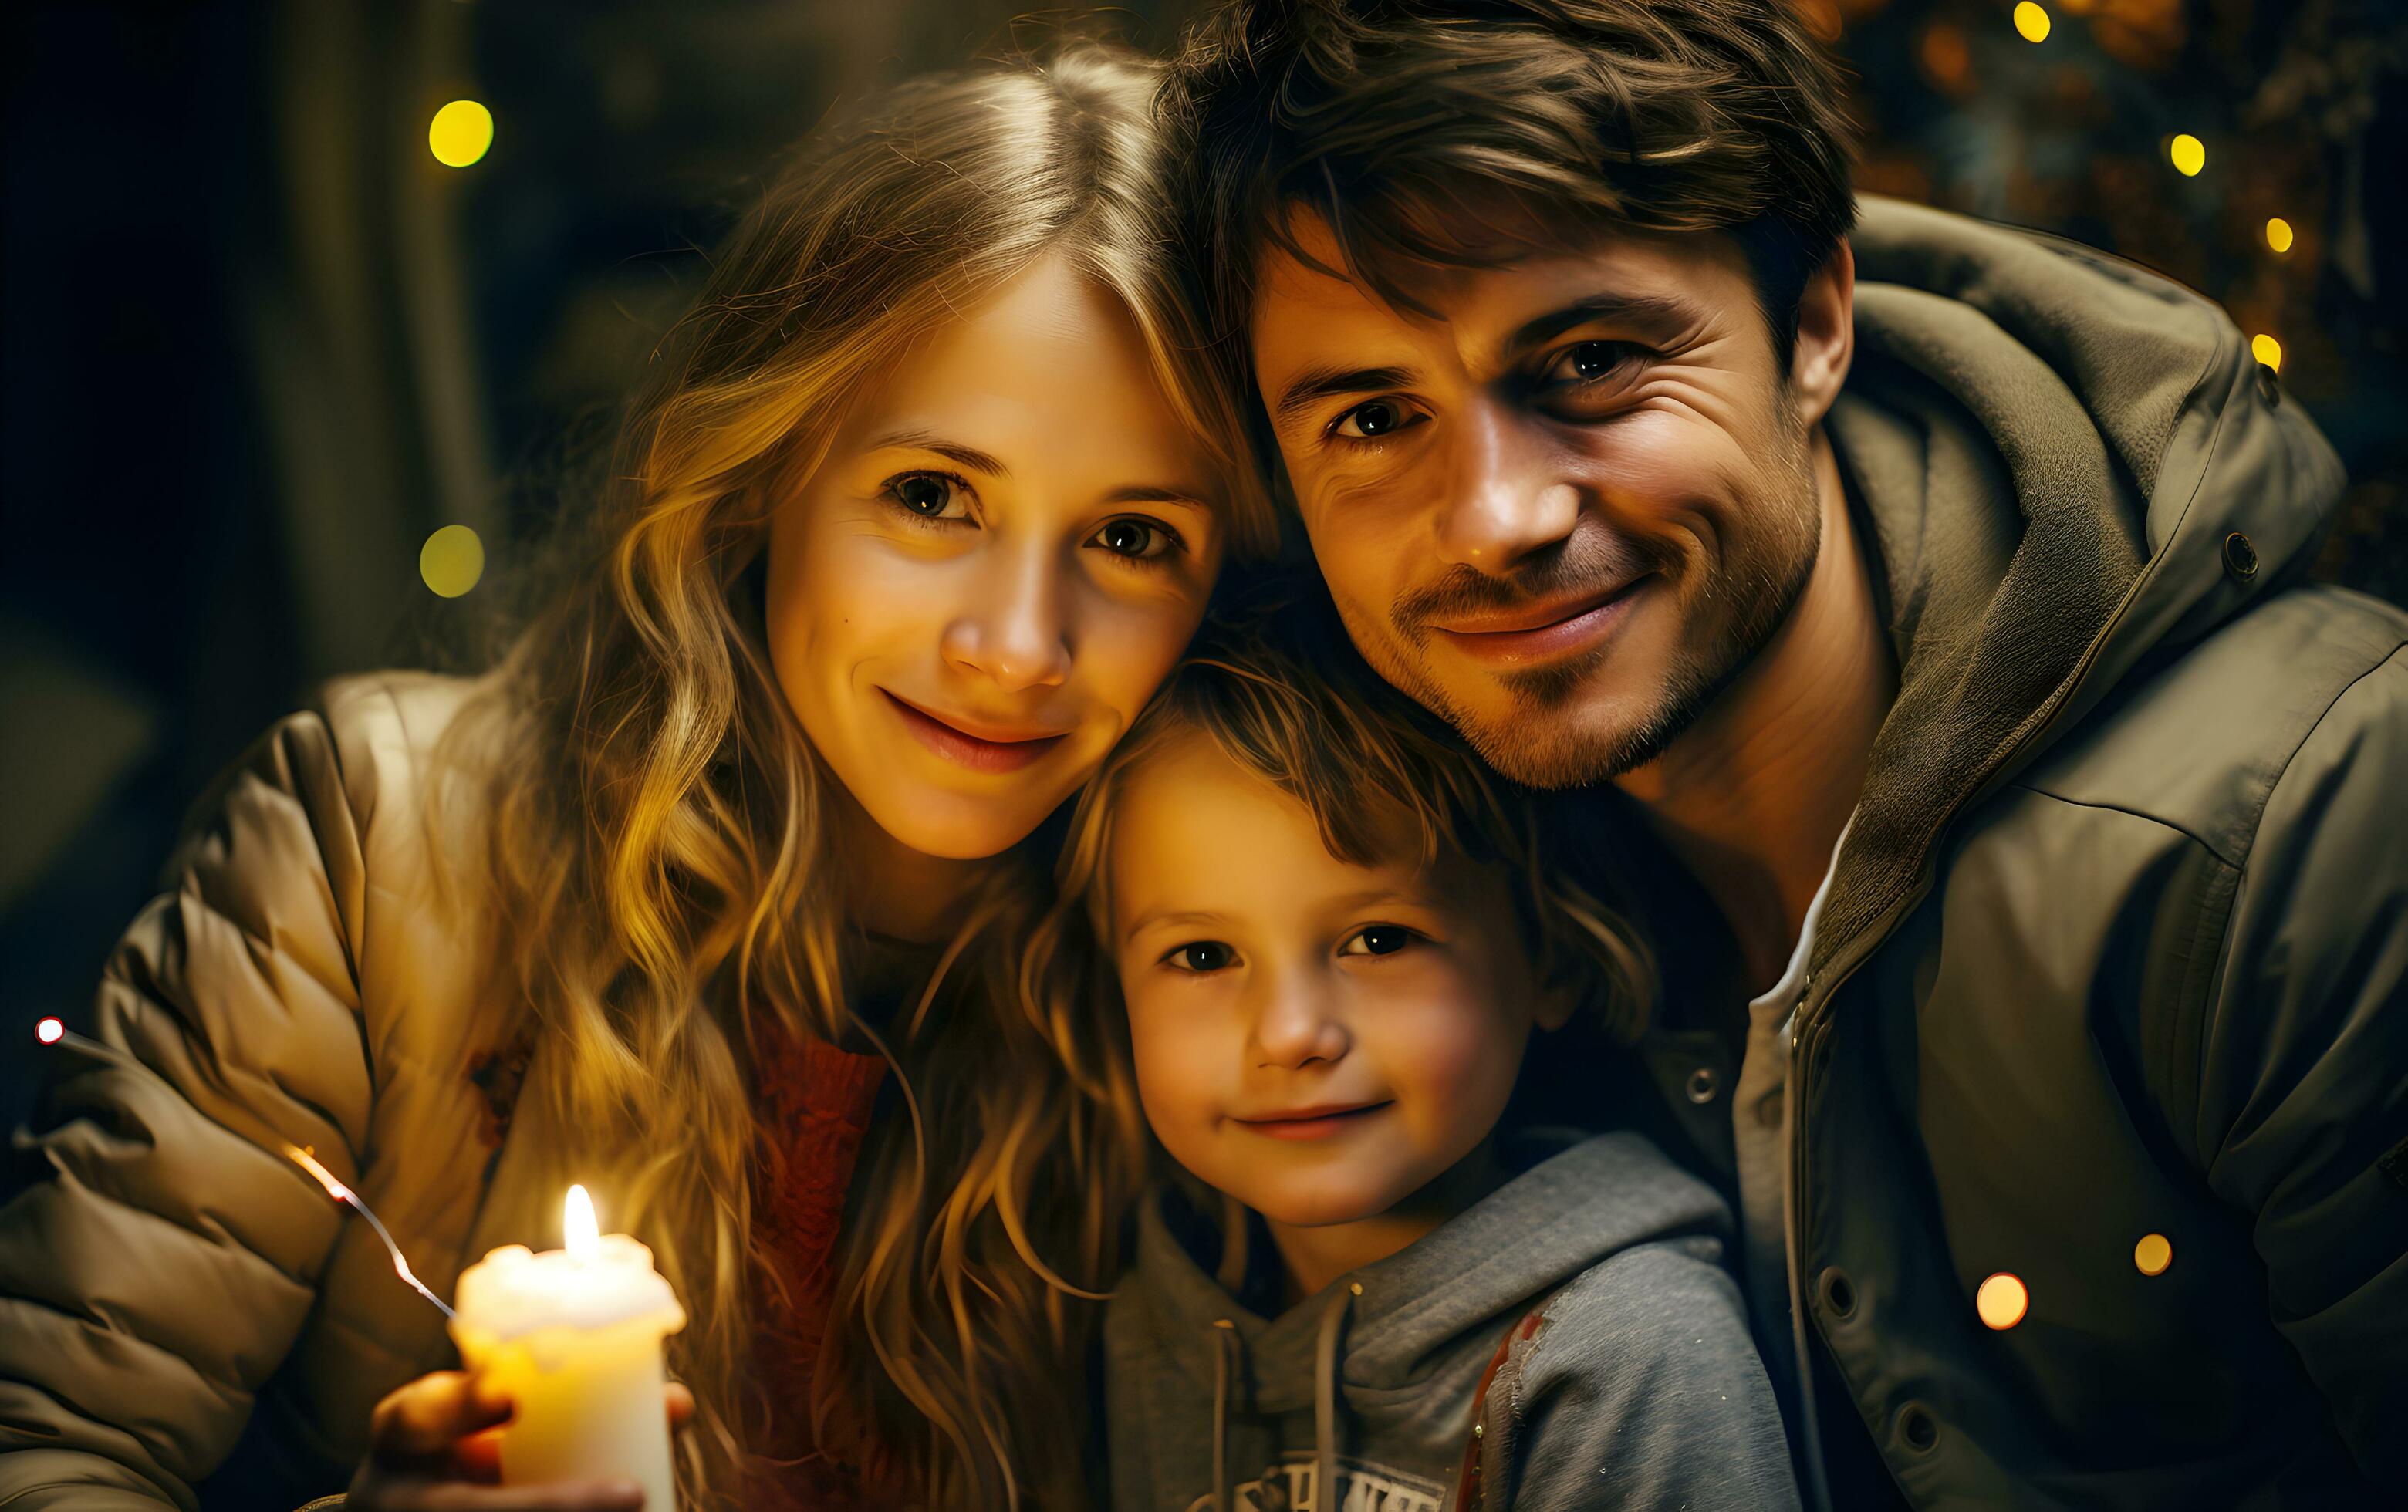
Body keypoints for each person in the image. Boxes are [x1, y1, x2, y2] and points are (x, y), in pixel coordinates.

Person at [1164, 2, 2408, 1507]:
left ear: (1816, 324)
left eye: (1590, 360)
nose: (1497, 516)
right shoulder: (1419, 856)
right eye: (1371, 415)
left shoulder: (2317, 831)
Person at [0, 41, 1272, 1512]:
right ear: (762, 475)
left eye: (1132, 539)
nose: (1015, 645)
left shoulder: (1212, 977)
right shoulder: (379, 849)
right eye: (932, 498)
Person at [1026, 613, 1798, 1511]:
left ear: (1546, 953)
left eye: (1377, 939)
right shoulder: (1150, 1333)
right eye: (1202, 956)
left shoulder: (1628, 1355)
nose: (1289, 1032)